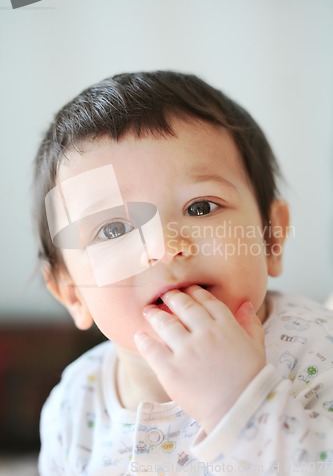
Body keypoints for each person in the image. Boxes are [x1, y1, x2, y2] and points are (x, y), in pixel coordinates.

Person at [34, 71, 333, 475]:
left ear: (271, 238)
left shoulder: (316, 349)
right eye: (114, 229)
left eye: (200, 207)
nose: (163, 246)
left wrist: (240, 403)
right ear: (72, 293)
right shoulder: (74, 404)